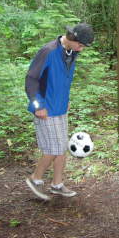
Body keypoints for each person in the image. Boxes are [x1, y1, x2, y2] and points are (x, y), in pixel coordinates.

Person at [25, 23, 94, 200]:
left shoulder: (72, 53)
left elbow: (61, 81)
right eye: (81, 45)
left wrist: (65, 100)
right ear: (71, 38)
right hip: (46, 109)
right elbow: (31, 80)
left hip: (60, 107)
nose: (82, 49)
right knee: (53, 149)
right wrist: (38, 105)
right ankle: (35, 179)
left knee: (61, 149)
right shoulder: (48, 51)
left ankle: (57, 184)